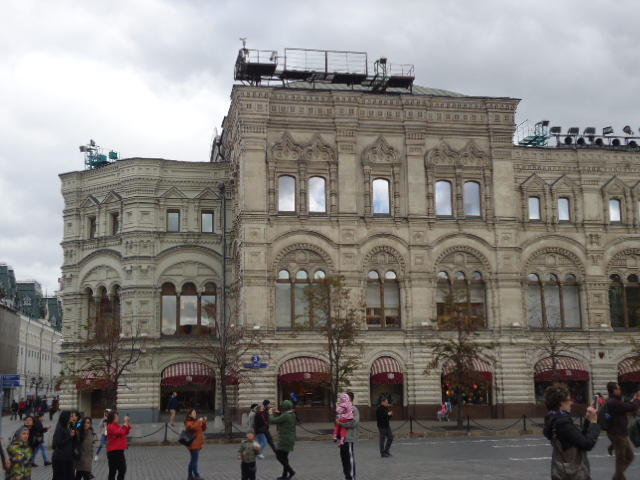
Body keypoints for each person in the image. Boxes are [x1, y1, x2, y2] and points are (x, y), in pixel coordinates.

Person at [542, 383, 600, 479]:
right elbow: (587, 444)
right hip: (572, 474)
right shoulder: (563, 423)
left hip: (560, 472)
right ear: (561, 403)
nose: (571, 402)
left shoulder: (553, 419)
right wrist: (594, 423)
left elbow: (577, 439)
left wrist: (587, 420)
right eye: (569, 400)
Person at [604, 382, 638, 480]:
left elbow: (626, 406)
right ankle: (619, 477)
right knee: (620, 459)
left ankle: (617, 476)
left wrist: (633, 400)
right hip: (617, 433)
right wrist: (637, 399)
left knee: (630, 456)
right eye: (618, 388)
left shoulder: (615, 400)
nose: (620, 390)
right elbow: (630, 407)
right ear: (614, 391)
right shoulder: (613, 402)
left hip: (621, 432)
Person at [269, 400, 296, 480]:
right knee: (284, 457)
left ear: (285, 407)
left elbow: (273, 420)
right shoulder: (292, 414)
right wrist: (278, 413)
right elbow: (283, 418)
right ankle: (284, 475)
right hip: (290, 438)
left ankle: (291, 471)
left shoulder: (286, 415)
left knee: (279, 456)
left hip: (285, 439)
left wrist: (270, 414)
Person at [338, 391, 359, 480]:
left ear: (350, 399)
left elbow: (354, 422)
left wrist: (341, 423)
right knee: (344, 459)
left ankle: (351, 477)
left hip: (349, 438)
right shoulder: (343, 409)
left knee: (349, 459)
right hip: (342, 439)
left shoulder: (353, 409)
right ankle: (347, 476)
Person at [106, 411, 132, 480]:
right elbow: (119, 432)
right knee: (112, 472)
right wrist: (125, 423)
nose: (118, 417)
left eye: (118, 416)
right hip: (113, 452)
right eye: (116, 416)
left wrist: (127, 423)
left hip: (120, 452)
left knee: (122, 469)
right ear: (112, 417)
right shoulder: (110, 426)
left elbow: (125, 432)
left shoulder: (117, 425)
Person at [51, 411, 76, 480]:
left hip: (67, 457)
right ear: (66, 417)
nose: (72, 418)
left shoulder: (68, 425)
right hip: (60, 458)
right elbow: (58, 443)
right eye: (71, 416)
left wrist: (73, 428)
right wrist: (70, 436)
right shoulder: (60, 427)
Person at [183, 409, 207, 480]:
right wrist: (199, 421)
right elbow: (192, 427)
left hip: (198, 443)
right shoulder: (188, 421)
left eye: (195, 412)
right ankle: (196, 475)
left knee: (193, 460)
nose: (195, 414)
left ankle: (190, 476)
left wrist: (204, 422)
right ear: (189, 414)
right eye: (193, 413)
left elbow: (203, 429)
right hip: (193, 444)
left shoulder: (196, 421)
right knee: (195, 460)